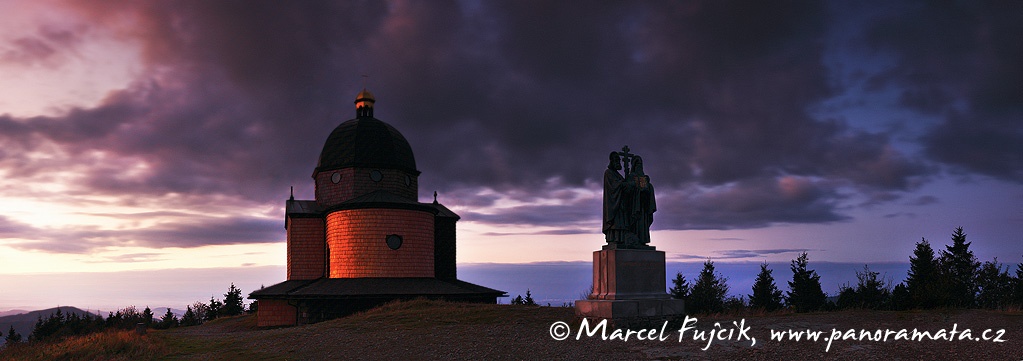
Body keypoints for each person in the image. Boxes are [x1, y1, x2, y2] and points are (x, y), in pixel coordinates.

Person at [602, 152, 630, 246]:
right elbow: (614, 186)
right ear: (612, 161)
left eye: (619, 160)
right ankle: (614, 238)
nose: (618, 162)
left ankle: (621, 239)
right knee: (615, 222)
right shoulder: (608, 173)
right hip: (613, 202)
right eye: (616, 160)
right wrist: (623, 184)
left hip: (620, 203)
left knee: (621, 222)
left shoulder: (617, 174)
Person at [627, 156, 656, 247]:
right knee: (635, 223)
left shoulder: (644, 178)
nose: (639, 166)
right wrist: (635, 188)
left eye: (640, 164)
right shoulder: (631, 177)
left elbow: (648, 190)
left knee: (643, 224)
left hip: (644, 206)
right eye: (637, 164)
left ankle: (642, 240)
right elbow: (627, 191)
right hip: (634, 206)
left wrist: (648, 189)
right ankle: (634, 240)